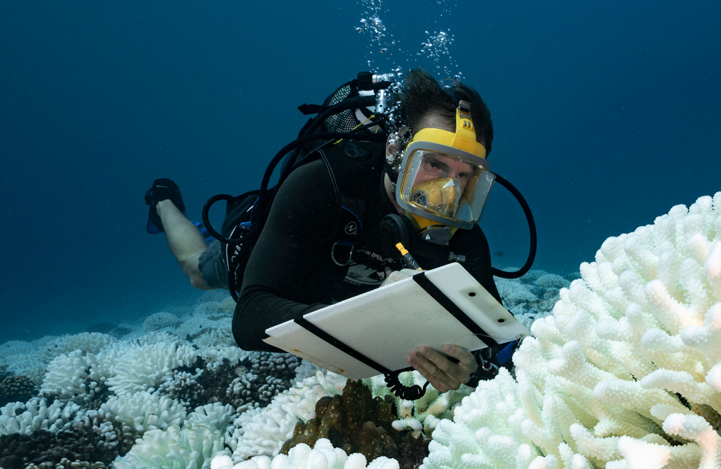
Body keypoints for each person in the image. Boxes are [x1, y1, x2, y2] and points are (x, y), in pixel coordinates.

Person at [144, 69, 505, 392]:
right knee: (197, 272)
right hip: (278, 250)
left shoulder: (464, 236)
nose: (448, 192)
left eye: (464, 176)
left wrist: (470, 371)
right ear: (396, 151)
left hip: (319, 305)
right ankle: (163, 203)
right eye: (434, 164)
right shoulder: (322, 183)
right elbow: (249, 318)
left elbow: (492, 342)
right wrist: (375, 311)